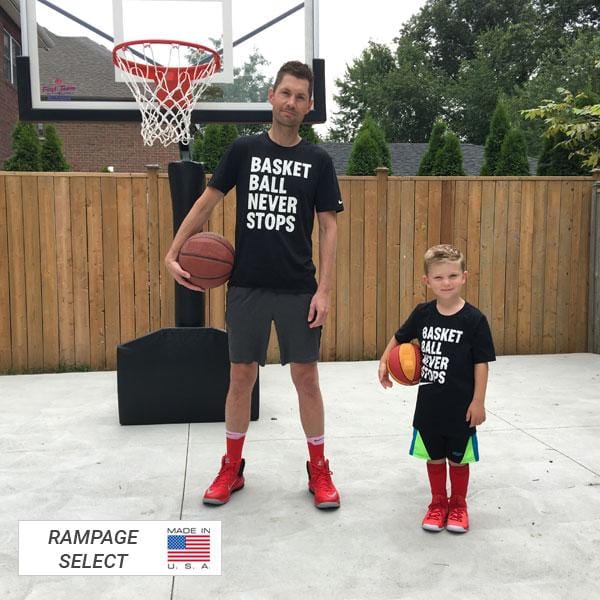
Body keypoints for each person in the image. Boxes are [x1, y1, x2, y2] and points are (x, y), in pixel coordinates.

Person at [165, 61, 343, 509]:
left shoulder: (318, 161)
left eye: (301, 96)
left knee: (306, 377)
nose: (291, 102)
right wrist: (173, 250)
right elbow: (207, 203)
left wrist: (324, 290)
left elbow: (329, 228)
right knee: (241, 377)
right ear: (271, 95)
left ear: (310, 106)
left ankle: (318, 469)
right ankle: (232, 466)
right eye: (286, 93)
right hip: (246, 286)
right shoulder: (243, 150)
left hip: (299, 287)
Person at [378, 244, 495, 532]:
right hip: (429, 405)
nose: (446, 283)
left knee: (457, 460)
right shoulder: (423, 314)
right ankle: (437, 503)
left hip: (460, 405)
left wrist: (478, 402)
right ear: (426, 281)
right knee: (434, 456)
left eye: (453, 276)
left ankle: (458, 506)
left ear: (464, 277)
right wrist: (384, 362)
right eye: (439, 277)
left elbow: (482, 364)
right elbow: (399, 337)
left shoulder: (474, 320)